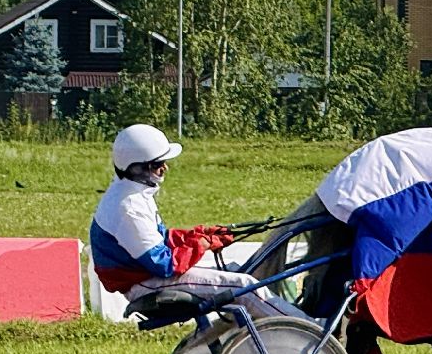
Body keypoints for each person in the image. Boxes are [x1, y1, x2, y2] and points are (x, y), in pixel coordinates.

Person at [90, 123, 290, 318]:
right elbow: (165, 265)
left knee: (239, 270)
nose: (165, 168)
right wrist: (201, 244)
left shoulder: (132, 193)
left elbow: (160, 239)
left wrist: (199, 234)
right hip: (145, 284)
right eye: (158, 164)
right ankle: (309, 329)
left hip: (147, 276)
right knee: (244, 286)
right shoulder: (129, 207)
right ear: (137, 168)